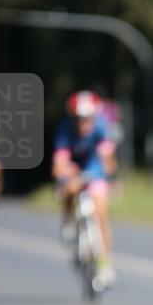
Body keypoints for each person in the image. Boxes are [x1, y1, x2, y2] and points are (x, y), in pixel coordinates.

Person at [52, 90, 117, 286]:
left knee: (101, 212)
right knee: (69, 189)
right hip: (72, 166)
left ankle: (105, 263)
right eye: (79, 119)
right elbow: (59, 163)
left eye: (88, 119)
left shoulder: (101, 127)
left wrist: (111, 176)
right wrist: (64, 175)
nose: (83, 124)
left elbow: (107, 158)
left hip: (93, 167)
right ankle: (68, 220)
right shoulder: (65, 130)